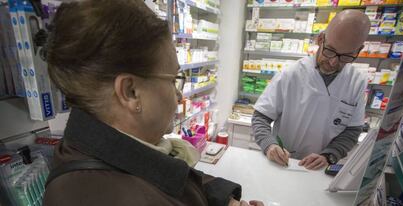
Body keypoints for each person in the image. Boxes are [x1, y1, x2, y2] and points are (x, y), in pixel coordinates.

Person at [42, 1, 264, 206]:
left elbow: (174, 177)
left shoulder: (97, 144)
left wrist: (225, 199)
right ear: (131, 92)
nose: (178, 95)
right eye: (173, 80)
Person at [252, 10, 371, 170]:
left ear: (358, 50)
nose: (333, 62)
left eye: (346, 56)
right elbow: (260, 117)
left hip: (320, 169)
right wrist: (269, 145)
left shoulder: (356, 82)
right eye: (330, 50)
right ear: (320, 39)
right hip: (282, 163)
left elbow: (352, 130)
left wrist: (330, 155)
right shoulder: (291, 74)